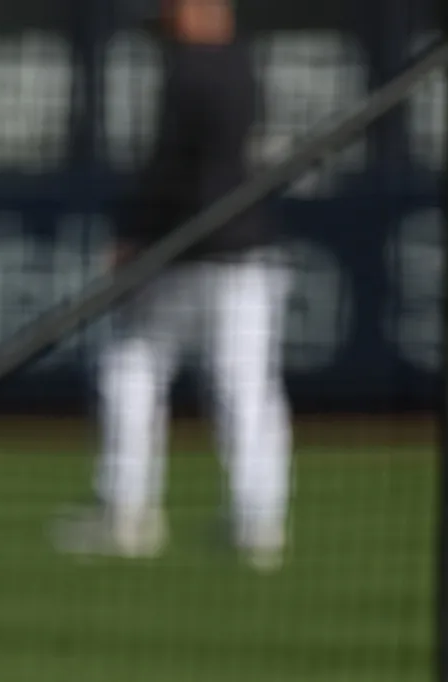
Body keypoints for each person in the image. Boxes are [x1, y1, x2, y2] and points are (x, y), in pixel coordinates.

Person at [55, 0, 291, 571]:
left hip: (187, 253)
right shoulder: (245, 65)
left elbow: (174, 168)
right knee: (245, 389)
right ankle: (256, 521)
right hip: (246, 252)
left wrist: (136, 234)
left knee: (131, 368)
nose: (164, 16)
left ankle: (127, 512)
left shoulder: (189, 66)